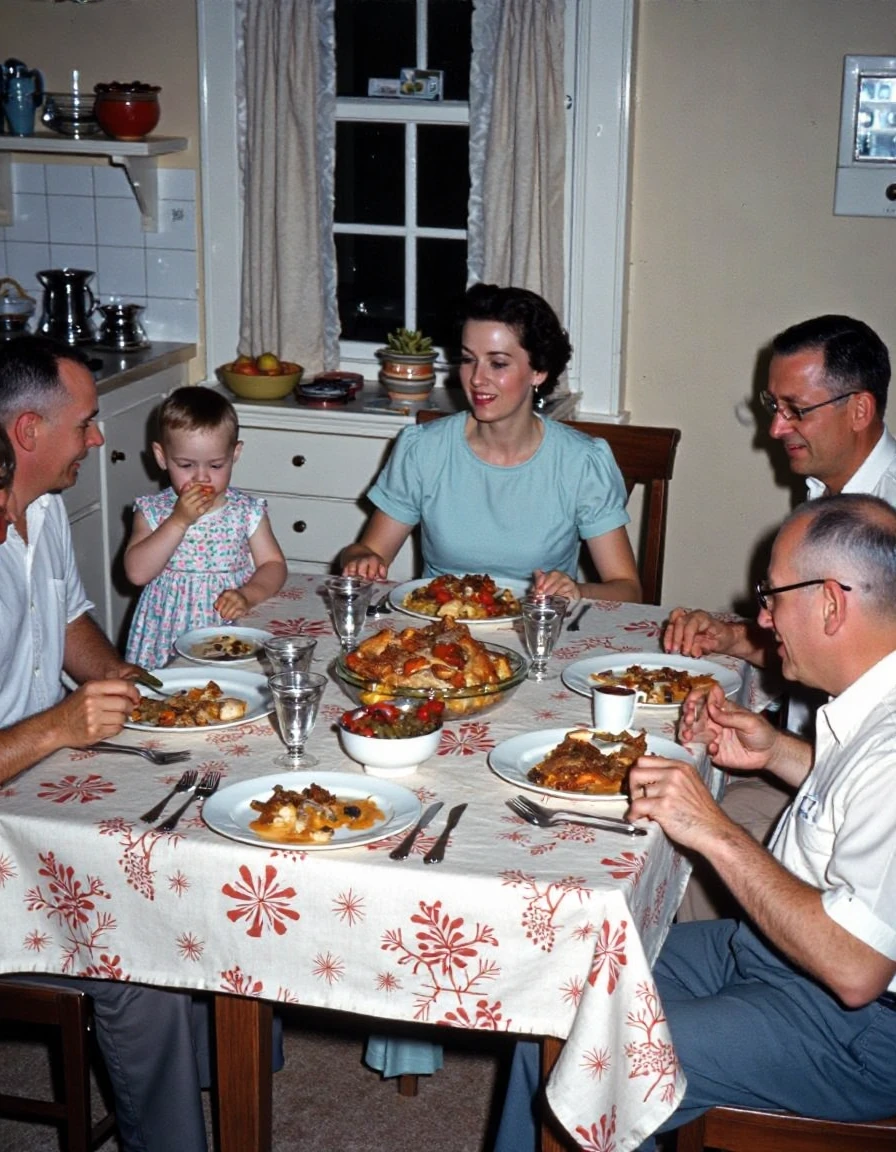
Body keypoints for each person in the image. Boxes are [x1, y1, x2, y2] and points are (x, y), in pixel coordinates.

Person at [498, 494, 896, 1150]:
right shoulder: (872, 696)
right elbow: (858, 799)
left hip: (854, 1027)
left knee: (587, 1055)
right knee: (561, 984)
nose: (762, 618)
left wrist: (713, 827)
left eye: (772, 596)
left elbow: (856, 968)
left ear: (831, 603)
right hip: (776, 957)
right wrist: (777, 752)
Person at [0, 336, 211, 1151]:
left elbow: (65, 624)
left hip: (45, 780)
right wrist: (58, 724)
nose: (98, 440)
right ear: (27, 431)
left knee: (202, 826)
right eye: (86, 423)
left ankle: (223, 1072)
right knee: (144, 945)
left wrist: (127, 677)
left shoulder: (43, 506)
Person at [662, 314, 895, 919]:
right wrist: (737, 639)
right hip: (798, 764)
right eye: (773, 405)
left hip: (849, 816)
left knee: (658, 858)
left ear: (859, 409)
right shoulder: (829, 490)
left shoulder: (885, 525)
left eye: (795, 408)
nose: (775, 427)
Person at [341, 282, 641, 603]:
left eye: (497, 364)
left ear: (538, 371)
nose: (476, 379)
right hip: (441, 634)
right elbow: (366, 551)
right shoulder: (424, 449)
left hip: (535, 634)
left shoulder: (581, 461)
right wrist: (359, 560)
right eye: (469, 359)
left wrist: (576, 590)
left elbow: (626, 589)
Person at [124, 385, 287, 668]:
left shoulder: (246, 512)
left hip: (229, 627)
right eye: (186, 465)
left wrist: (249, 595)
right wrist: (178, 520)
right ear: (162, 457)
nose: (202, 478)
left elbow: (273, 565)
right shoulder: (153, 512)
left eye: (215, 465)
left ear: (235, 454)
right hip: (167, 634)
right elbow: (137, 573)